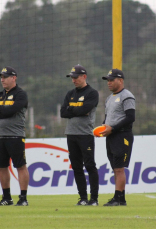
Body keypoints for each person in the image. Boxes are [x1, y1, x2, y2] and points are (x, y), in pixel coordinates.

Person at [0, 66, 29, 206]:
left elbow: (13, 110)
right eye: (1, 77)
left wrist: (2, 110)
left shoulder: (21, 94)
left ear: (14, 78)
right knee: (2, 166)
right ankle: (7, 198)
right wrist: (4, 111)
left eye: (5, 77)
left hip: (15, 136)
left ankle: (23, 198)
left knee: (20, 166)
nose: (2, 80)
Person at [60, 65, 100, 206]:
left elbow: (86, 109)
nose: (73, 80)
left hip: (85, 135)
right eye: (72, 78)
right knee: (76, 167)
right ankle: (83, 198)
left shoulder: (92, 93)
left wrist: (73, 109)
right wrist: (77, 109)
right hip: (71, 134)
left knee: (90, 166)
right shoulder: (70, 94)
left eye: (76, 77)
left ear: (84, 76)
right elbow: (63, 113)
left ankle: (94, 199)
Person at [99, 69, 135, 206]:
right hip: (111, 136)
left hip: (122, 135)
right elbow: (108, 118)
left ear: (120, 80)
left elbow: (131, 118)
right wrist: (102, 128)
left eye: (111, 80)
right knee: (115, 168)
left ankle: (119, 198)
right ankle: (119, 198)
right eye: (107, 80)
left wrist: (112, 128)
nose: (109, 83)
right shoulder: (109, 98)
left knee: (119, 168)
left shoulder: (127, 96)